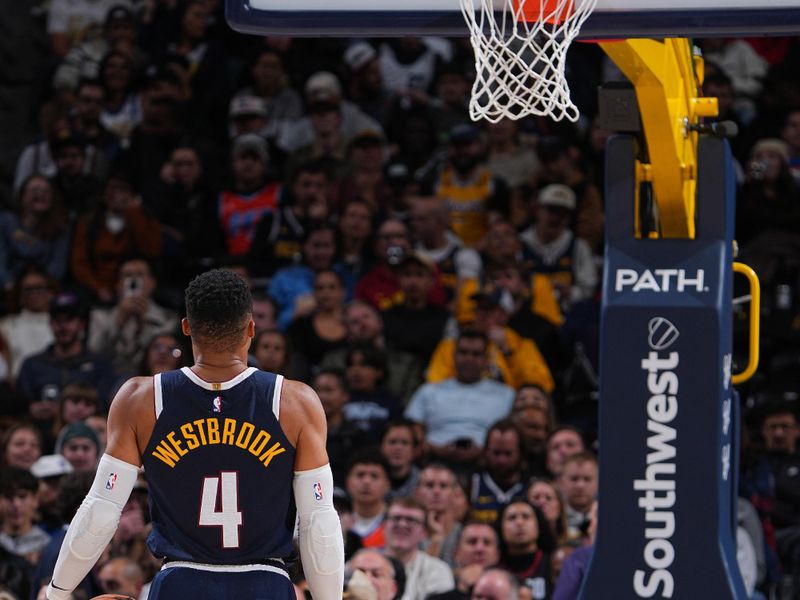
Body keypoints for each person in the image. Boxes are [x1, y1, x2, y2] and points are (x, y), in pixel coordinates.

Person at [44, 268, 344, 600]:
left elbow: (101, 509)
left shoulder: (141, 399)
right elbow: (319, 522)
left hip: (180, 582)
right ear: (251, 328)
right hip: (264, 582)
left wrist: (58, 592)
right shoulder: (295, 402)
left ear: (186, 327)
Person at [405, 329, 515, 465]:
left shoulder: (506, 394)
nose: (469, 358)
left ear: (486, 360)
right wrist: (434, 449)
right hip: (434, 461)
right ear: (453, 356)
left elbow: (514, 436)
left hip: (489, 463)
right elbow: (413, 429)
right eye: (463, 352)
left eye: (476, 354)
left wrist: (484, 451)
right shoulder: (429, 391)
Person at [383, 497, 455, 600]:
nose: (402, 524)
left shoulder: (438, 570)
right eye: (396, 518)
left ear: (424, 532)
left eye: (411, 520)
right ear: (383, 525)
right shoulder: (364, 564)